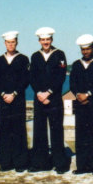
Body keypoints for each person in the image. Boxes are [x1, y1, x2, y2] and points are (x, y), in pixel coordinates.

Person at [29, 27, 71, 173]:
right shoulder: (35, 56)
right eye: (43, 40)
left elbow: (61, 77)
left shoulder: (59, 54)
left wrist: (48, 93)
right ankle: (40, 163)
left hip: (54, 100)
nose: (45, 42)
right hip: (39, 99)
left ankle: (59, 164)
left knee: (56, 131)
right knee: (39, 132)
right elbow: (32, 77)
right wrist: (39, 93)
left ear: (51, 40)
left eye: (48, 39)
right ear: (39, 41)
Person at [69, 34, 93, 175]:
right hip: (80, 104)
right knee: (81, 134)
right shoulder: (76, 64)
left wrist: (88, 94)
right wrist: (78, 95)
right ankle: (82, 166)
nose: (85, 52)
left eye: (88, 49)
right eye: (83, 49)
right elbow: (72, 83)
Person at [0, 31, 30, 172]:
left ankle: (20, 163)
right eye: (8, 42)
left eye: (13, 42)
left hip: (18, 100)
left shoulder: (23, 59)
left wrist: (14, 94)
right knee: (5, 130)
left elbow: (25, 79)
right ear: (5, 44)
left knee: (19, 130)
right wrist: (3, 94)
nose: (11, 45)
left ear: (17, 43)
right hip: (4, 101)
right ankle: (5, 162)